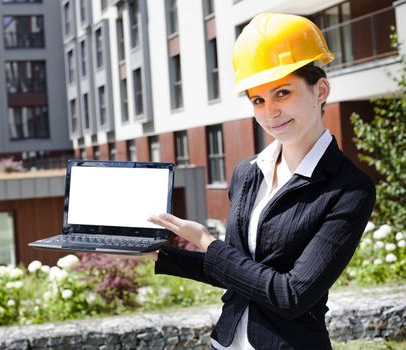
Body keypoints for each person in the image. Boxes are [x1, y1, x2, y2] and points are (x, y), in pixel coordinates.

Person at [147, 13, 376, 350]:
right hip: (227, 343)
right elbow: (236, 269)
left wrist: (208, 243)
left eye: (282, 93)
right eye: (258, 100)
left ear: (321, 90)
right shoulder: (248, 172)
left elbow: (292, 294)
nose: (270, 112)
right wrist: (157, 255)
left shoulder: (349, 189)